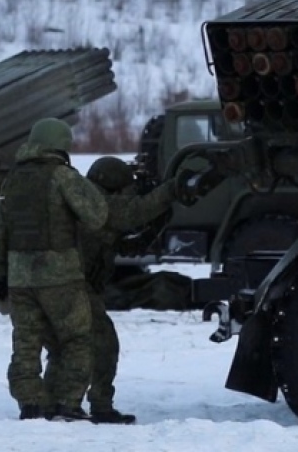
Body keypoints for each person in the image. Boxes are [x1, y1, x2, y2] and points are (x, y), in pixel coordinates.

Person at [43, 156, 222, 424]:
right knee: (104, 344)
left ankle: (54, 404)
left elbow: (130, 247)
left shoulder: (87, 202)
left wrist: (161, 217)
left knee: (65, 346)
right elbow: (136, 212)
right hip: (72, 286)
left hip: (64, 285)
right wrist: (172, 189)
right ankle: (96, 406)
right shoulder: (100, 203)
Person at [0, 117, 109, 422]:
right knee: (77, 339)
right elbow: (96, 217)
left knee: (26, 343)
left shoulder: (12, 180)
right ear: (62, 145)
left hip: (19, 277)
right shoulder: (62, 176)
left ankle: (31, 404)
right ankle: (67, 403)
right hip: (61, 276)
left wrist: (1, 276)